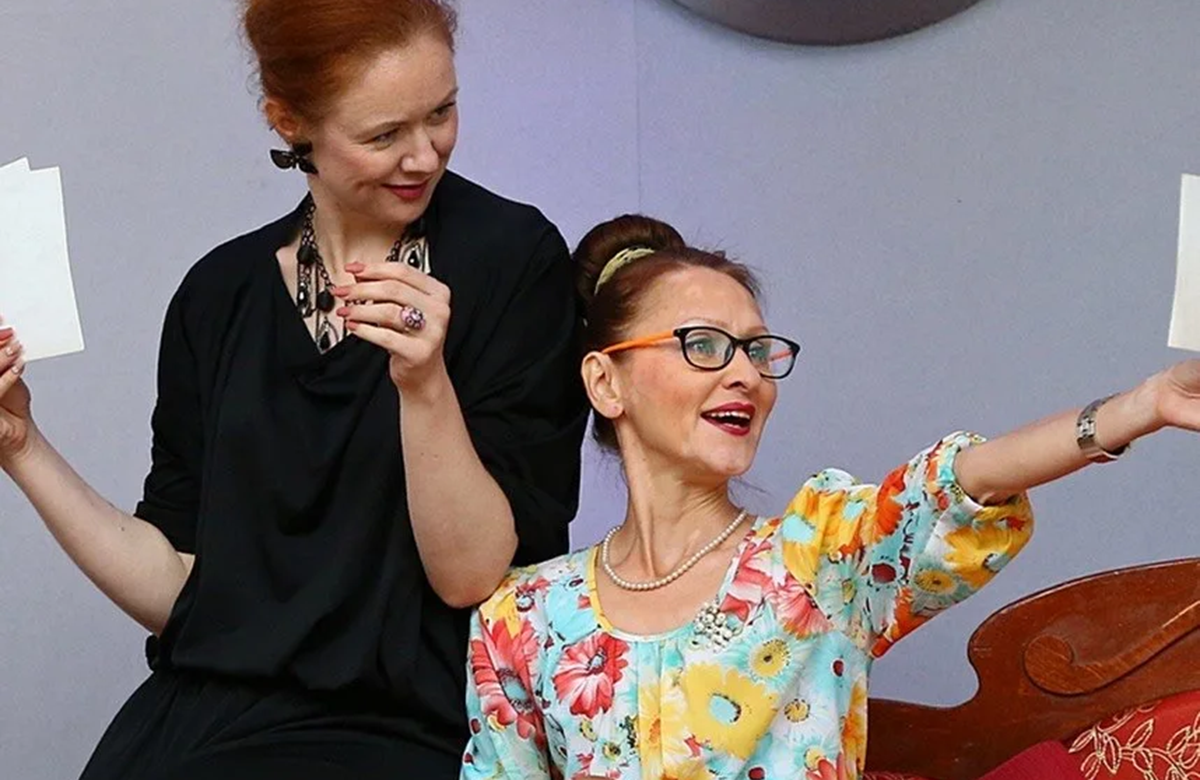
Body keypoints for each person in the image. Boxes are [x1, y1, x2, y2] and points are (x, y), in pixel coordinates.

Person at [0, 1, 588, 778]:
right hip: (195, 720)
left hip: (402, 726)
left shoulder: (510, 260)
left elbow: (472, 575)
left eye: (442, 113)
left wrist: (423, 385)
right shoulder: (219, 296)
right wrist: (22, 447)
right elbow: (181, 590)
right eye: (384, 135)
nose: (424, 156)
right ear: (289, 122)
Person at [459, 214, 1200, 780]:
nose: (745, 374)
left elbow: (960, 482)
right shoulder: (524, 618)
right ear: (605, 381)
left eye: (757, 350)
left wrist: (1141, 406)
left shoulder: (820, 558)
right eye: (703, 345)